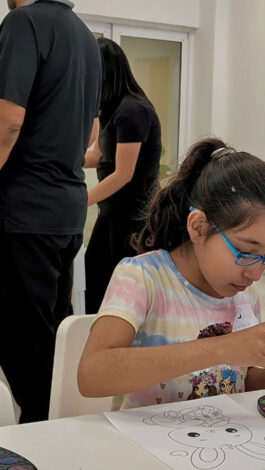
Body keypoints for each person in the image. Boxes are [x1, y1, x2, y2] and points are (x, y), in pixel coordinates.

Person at [77, 138, 265, 410]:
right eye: (246, 251)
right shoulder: (142, 278)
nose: (256, 272)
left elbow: (235, 378)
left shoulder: (243, 291)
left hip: (217, 438)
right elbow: (92, 375)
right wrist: (222, 347)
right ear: (198, 227)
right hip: (146, 442)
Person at [0, 0, 101, 422]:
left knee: (22, 339)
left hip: (23, 213)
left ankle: (40, 436)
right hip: (65, 209)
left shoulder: (23, 23)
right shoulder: (85, 38)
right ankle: (58, 429)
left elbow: (7, 122)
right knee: (54, 335)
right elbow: (92, 132)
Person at [84, 37, 162, 315]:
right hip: (112, 213)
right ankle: (94, 333)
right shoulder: (112, 108)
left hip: (133, 216)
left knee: (122, 284)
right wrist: (55, 161)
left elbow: (123, 174)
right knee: (94, 272)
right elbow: (97, 156)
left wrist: (81, 199)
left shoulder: (133, 111)